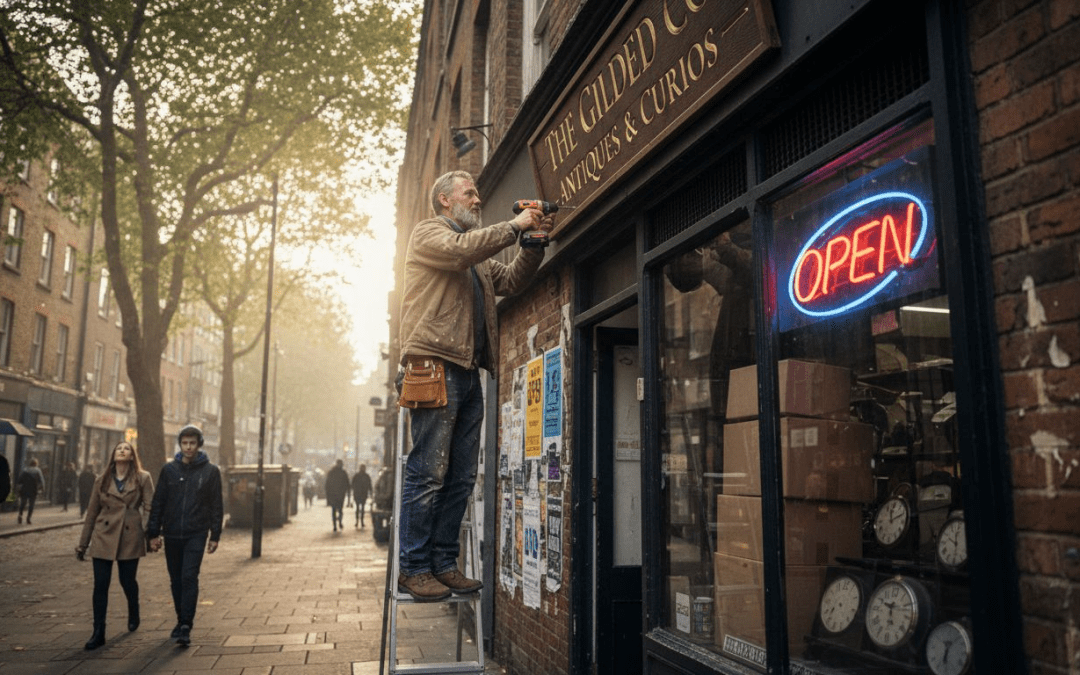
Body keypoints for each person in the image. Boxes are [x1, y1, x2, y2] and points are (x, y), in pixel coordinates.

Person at [395, 170, 549, 601]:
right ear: (445, 200)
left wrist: (533, 241)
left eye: (478, 193)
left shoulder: (477, 257)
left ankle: (443, 563)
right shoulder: (430, 234)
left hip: (466, 369)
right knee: (428, 472)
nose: (478, 199)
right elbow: (460, 252)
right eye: (470, 192)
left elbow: (512, 280)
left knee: (461, 476)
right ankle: (413, 567)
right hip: (434, 365)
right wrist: (514, 225)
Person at [146, 425, 223, 646]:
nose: (188, 447)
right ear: (180, 444)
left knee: (189, 576)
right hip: (171, 534)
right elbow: (158, 502)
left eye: (192, 443)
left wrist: (215, 534)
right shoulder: (169, 470)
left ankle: (186, 624)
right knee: (176, 579)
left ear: (199, 445)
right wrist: (153, 533)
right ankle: (181, 620)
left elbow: (216, 505)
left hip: (196, 533)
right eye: (185, 443)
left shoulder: (211, 472)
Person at [75, 441, 154, 650]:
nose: (121, 450)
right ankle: (98, 631)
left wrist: (145, 530)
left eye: (126, 448)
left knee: (127, 580)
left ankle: (133, 608)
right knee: (100, 584)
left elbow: (149, 507)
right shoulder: (101, 480)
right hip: (104, 534)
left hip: (130, 534)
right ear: (113, 454)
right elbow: (91, 513)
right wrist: (83, 544)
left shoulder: (143, 478)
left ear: (131, 456)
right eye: (118, 448)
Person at [17, 458, 45, 525]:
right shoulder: (38, 471)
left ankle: (20, 515)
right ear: (36, 464)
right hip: (33, 490)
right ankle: (28, 518)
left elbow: (20, 481)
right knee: (31, 504)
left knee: (23, 503)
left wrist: (18, 489)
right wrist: (42, 488)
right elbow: (41, 481)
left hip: (25, 489)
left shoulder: (25, 470)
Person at [324, 459, 350, 532]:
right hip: (338, 494)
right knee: (338, 509)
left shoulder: (332, 472)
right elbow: (347, 483)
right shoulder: (342, 472)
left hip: (335, 494)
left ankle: (337, 523)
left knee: (335, 509)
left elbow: (327, 483)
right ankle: (337, 523)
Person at [352, 463, 373, 529]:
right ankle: (360, 522)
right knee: (361, 508)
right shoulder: (366, 476)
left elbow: (352, 484)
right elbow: (369, 485)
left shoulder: (357, 475)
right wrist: (370, 492)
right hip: (362, 494)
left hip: (358, 494)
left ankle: (358, 521)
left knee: (358, 508)